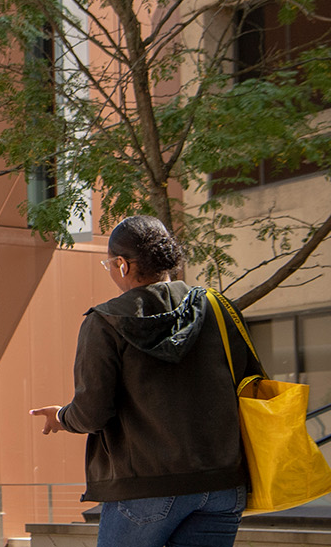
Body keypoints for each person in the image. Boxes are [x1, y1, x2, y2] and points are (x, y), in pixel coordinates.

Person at [31, 215, 258, 547]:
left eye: (108, 264)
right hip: (222, 483)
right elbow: (249, 384)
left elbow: (93, 411)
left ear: (122, 265)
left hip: (146, 488)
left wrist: (62, 417)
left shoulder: (105, 321)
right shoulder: (217, 308)